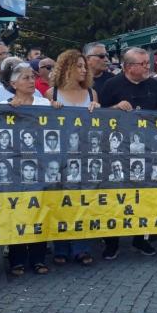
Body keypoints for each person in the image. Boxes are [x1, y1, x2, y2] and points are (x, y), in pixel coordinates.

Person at [98, 48, 157, 259]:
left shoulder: (154, 84)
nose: (148, 67)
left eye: (148, 63)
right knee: (115, 197)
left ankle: (140, 239)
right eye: (143, 63)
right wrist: (115, 107)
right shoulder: (111, 85)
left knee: (143, 197)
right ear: (128, 67)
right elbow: (97, 115)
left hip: (146, 150)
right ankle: (112, 242)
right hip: (116, 151)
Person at [45, 50, 100, 266]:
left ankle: (81, 247)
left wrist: (98, 109)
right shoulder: (52, 94)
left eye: (84, 66)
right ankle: (61, 246)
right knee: (61, 201)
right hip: (59, 156)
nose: (83, 70)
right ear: (66, 67)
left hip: (85, 154)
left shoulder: (92, 93)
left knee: (82, 202)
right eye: (78, 66)